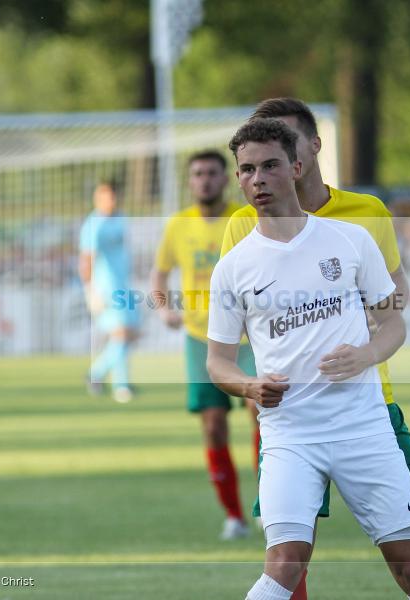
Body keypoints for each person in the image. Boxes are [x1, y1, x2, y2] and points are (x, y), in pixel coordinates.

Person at [221, 99, 410, 600]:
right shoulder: (241, 233)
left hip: (371, 406)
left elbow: (394, 304)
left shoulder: (361, 221)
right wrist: (255, 378)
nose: (263, 173)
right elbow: (246, 326)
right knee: (288, 554)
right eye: (250, 166)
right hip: (290, 414)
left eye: (279, 152)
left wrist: (360, 336)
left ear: (306, 151)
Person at [151, 150, 256, 540]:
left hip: (247, 337)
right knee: (213, 427)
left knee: (262, 412)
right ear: (189, 181)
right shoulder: (178, 225)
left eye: (212, 173)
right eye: (198, 174)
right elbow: (158, 276)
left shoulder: (243, 219)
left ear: (225, 178)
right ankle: (234, 515)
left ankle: (269, 505)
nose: (205, 180)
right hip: (201, 337)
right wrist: (163, 311)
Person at [79, 179, 138, 403]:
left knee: (128, 335)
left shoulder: (121, 218)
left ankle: (98, 375)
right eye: (102, 196)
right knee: (121, 334)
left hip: (124, 285)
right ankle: (118, 385)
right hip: (105, 288)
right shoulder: (93, 224)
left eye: (111, 195)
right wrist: (90, 291)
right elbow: (86, 260)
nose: (108, 200)